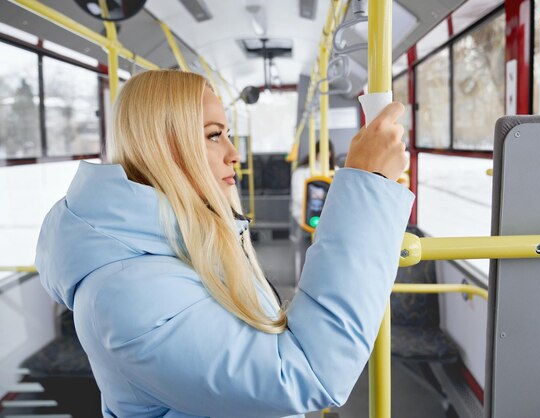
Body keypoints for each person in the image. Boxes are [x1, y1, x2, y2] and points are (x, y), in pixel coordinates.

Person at [35, 69, 413, 418]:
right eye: (214, 136)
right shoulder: (125, 295)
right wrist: (368, 184)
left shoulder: (186, 241)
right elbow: (307, 372)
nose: (235, 154)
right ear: (164, 147)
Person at [290, 140, 337, 226]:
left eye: (327, 152)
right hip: (305, 215)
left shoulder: (335, 171)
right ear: (315, 153)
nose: (324, 156)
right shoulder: (301, 172)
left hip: (331, 216)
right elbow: (299, 198)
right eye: (321, 152)